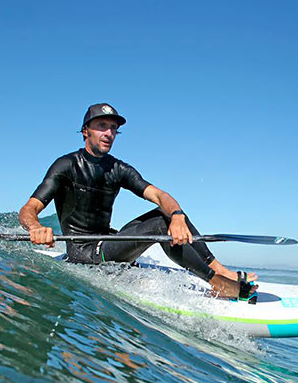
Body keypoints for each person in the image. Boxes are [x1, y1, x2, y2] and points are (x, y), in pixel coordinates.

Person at [19, 103, 256, 299]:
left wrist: (177, 216)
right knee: (160, 226)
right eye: (102, 126)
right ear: (85, 131)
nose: (109, 133)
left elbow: (160, 196)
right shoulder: (66, 165)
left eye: (113, 129)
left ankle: (220, 270)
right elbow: (29, 209)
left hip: (108, 242)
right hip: (85, 253)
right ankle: (217, 283)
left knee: (170, 214)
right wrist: (36, 227)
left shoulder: (118, 168)